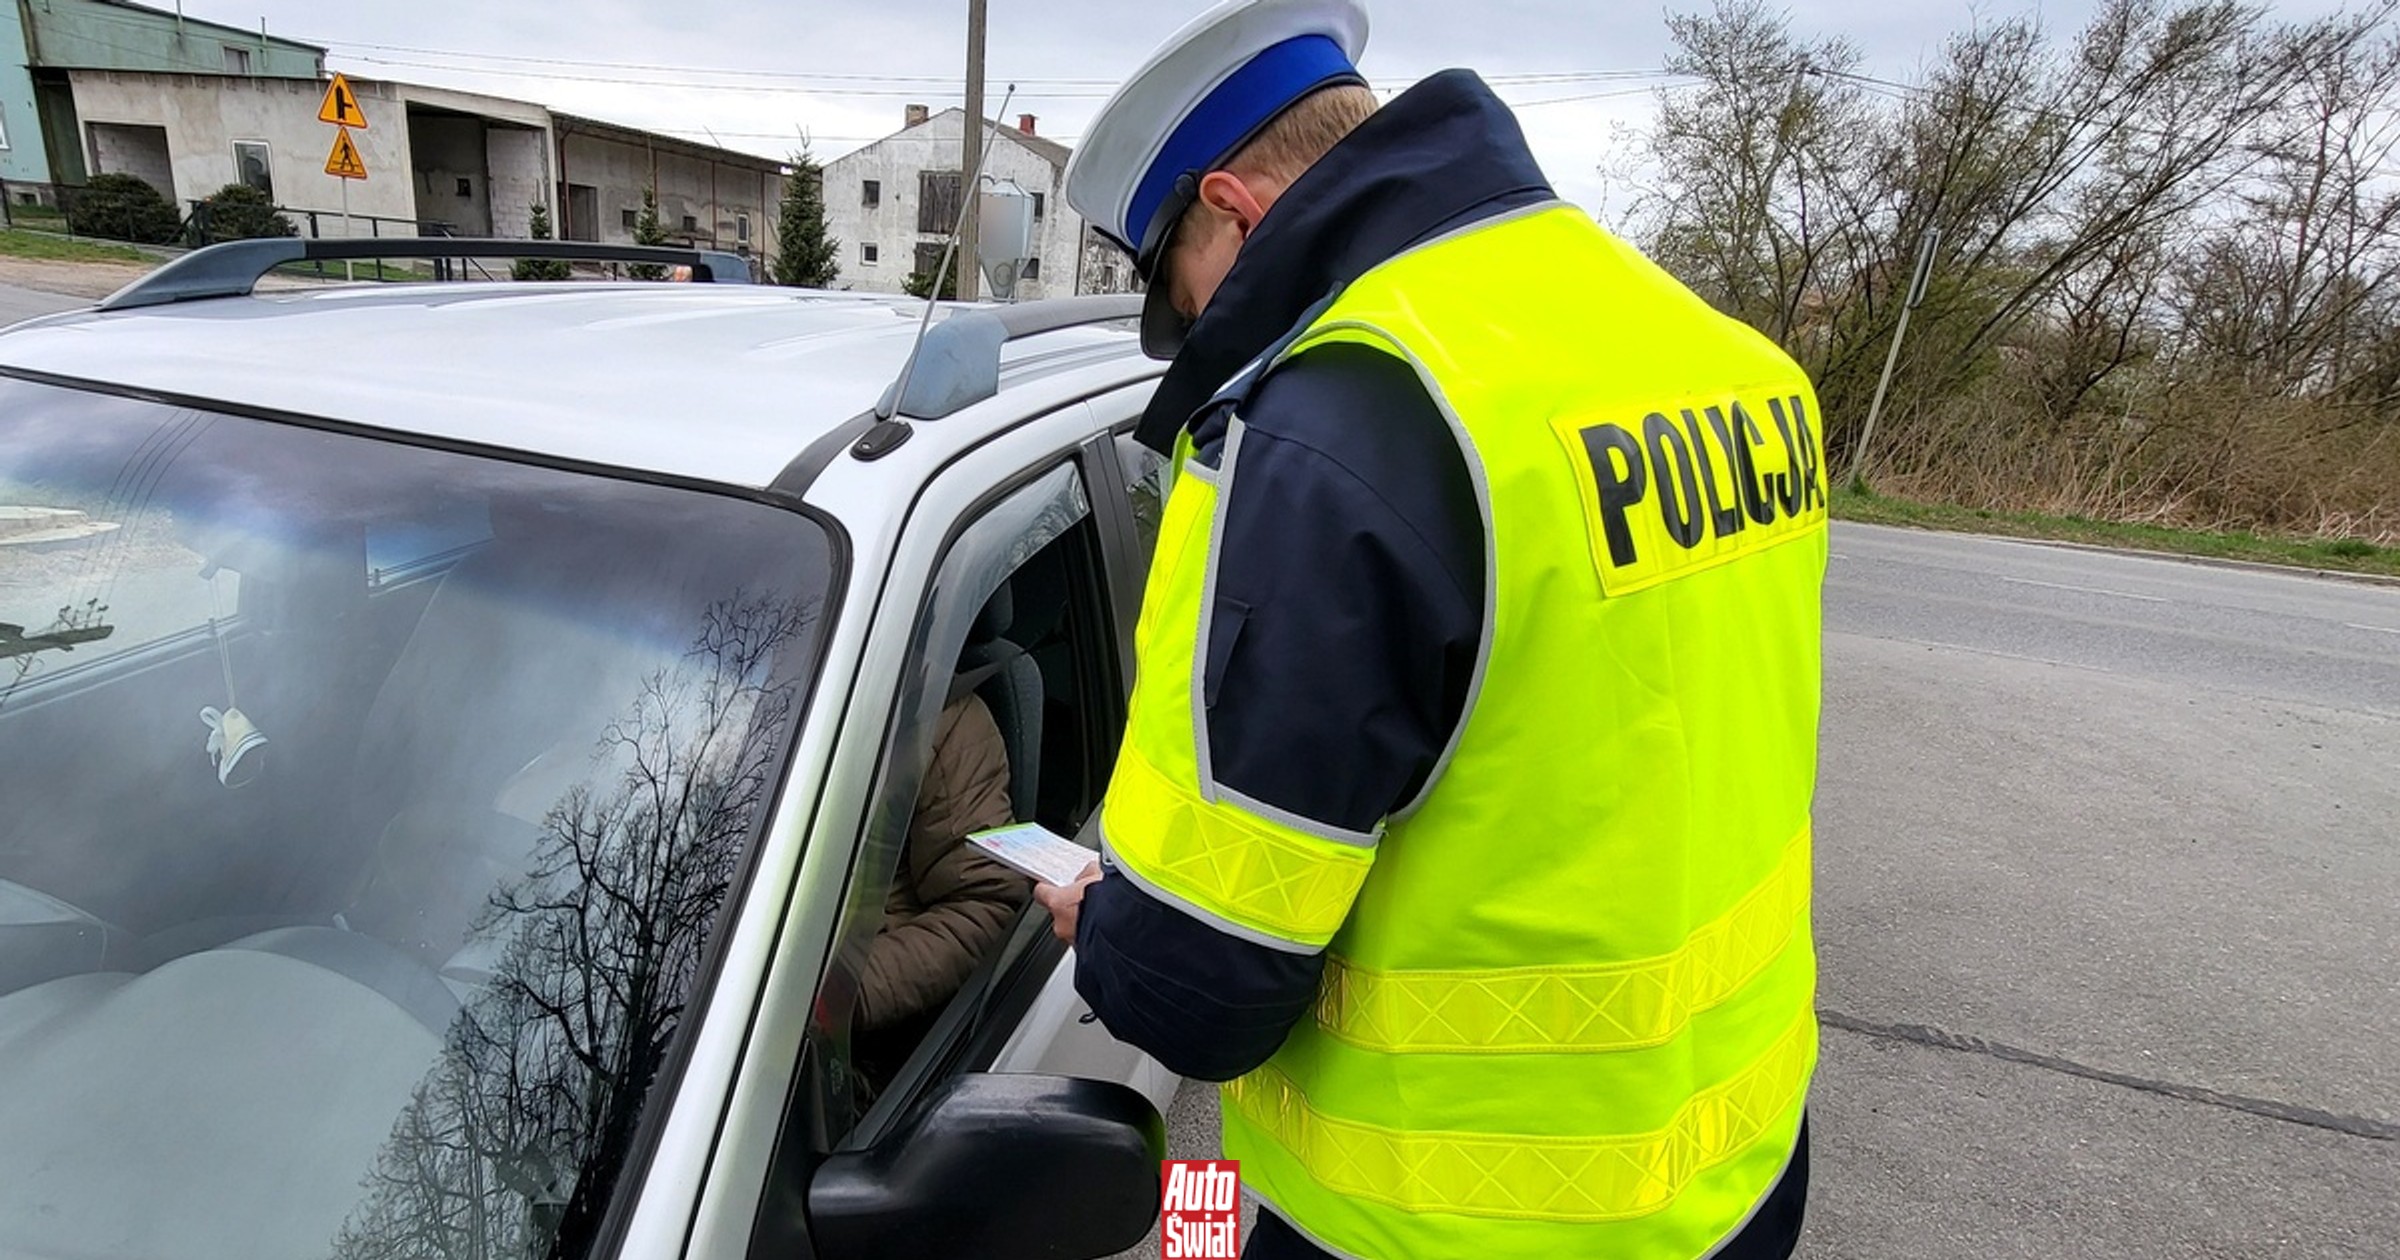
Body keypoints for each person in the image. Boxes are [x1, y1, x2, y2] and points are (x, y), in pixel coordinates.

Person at [1032, 2, 1829, 1257]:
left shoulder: (1336, 428)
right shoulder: (1722, 359)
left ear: (1234, 210)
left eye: (1170, 287)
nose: (1189, 329)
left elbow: (1203, 991)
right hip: (1735, 1159)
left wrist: (1111, 927)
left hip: (1446, 1216)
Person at [852, 694, 1028, 1071]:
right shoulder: (744, 688)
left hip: (862, 1014)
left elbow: (985, 906)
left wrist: (849, 993)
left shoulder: (948, 721)